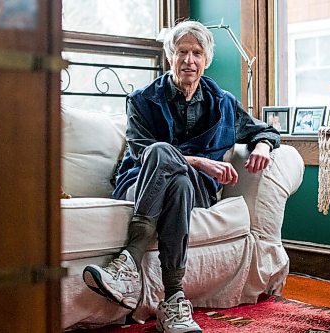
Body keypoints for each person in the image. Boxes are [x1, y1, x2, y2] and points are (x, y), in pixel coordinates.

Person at [81, 20, 280, 333]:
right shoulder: (142, 100)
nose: (189, 60)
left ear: (206, 60)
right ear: (169, 57)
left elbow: (265, 129)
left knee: (183, 181)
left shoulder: (223, 104)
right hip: (141, 184)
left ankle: (127, 264)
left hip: (197, 192)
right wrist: (201, 163)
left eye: (197, 53)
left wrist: (264, 147)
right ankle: (174, 300)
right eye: (182, 52)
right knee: (168, 162)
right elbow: (144, 151)